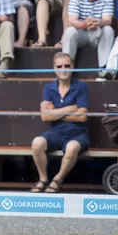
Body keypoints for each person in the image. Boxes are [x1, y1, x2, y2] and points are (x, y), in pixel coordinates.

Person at [30, 52, 90, 193]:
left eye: (67, 65)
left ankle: (57, 180)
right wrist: (70, 108)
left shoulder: (81, 87)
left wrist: (55, 112)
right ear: (54, 68)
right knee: (36, 143)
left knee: (72, 147)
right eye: (60, 66)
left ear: (73, 67)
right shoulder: (48, 88)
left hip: (78, 134)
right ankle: (43, 179)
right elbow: (45, 117)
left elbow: (82, 117)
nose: (64, 69)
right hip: (55, 133)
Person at [61, 0, 114, 80]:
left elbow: (107, 20)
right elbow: (72, 20)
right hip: (81, 32)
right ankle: (65, 68)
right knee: (69, 32)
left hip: (97, 32)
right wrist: (84, 24)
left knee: (108, 29)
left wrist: (98, 22)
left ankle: (103, 68)